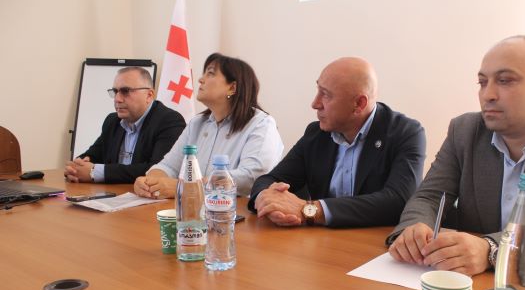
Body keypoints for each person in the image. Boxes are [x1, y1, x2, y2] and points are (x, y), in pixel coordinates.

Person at [387, 35, 525, 276]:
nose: (488, 94)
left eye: (505, 81)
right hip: (466, 283)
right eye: (482, 82)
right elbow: (429, 197)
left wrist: (492, 249)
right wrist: (414, 229)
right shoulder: (464, 130)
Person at [248, 57, 426, 228]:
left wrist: (311, 210)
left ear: (359, 104)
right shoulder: (317, 134)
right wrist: (267, 198)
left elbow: (398, 200)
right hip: (324, 241)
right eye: (318, 90)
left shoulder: (406, 133)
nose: (315, 103)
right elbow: (270, 179)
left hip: (375, 243)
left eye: (325, 95)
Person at [133, 53, 283, 198]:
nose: (200, 79)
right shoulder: (197, 123)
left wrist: (186, 188)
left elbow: (250, 178)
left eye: (210, 73)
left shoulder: (261, 124)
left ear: (232, 88)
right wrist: (149, 182)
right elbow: (169, 166)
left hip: (236, 210)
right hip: (194, 208)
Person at [64, 67, 185, 184]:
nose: (117, 99)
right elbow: (93, 154)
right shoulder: (112, 120)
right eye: (115, 92)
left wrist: (96, 172)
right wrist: (76, 168)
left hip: (145, 196)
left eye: (125, 91)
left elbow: (158, 170)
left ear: (149, 95)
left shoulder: (169, 121)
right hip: (113, 194)